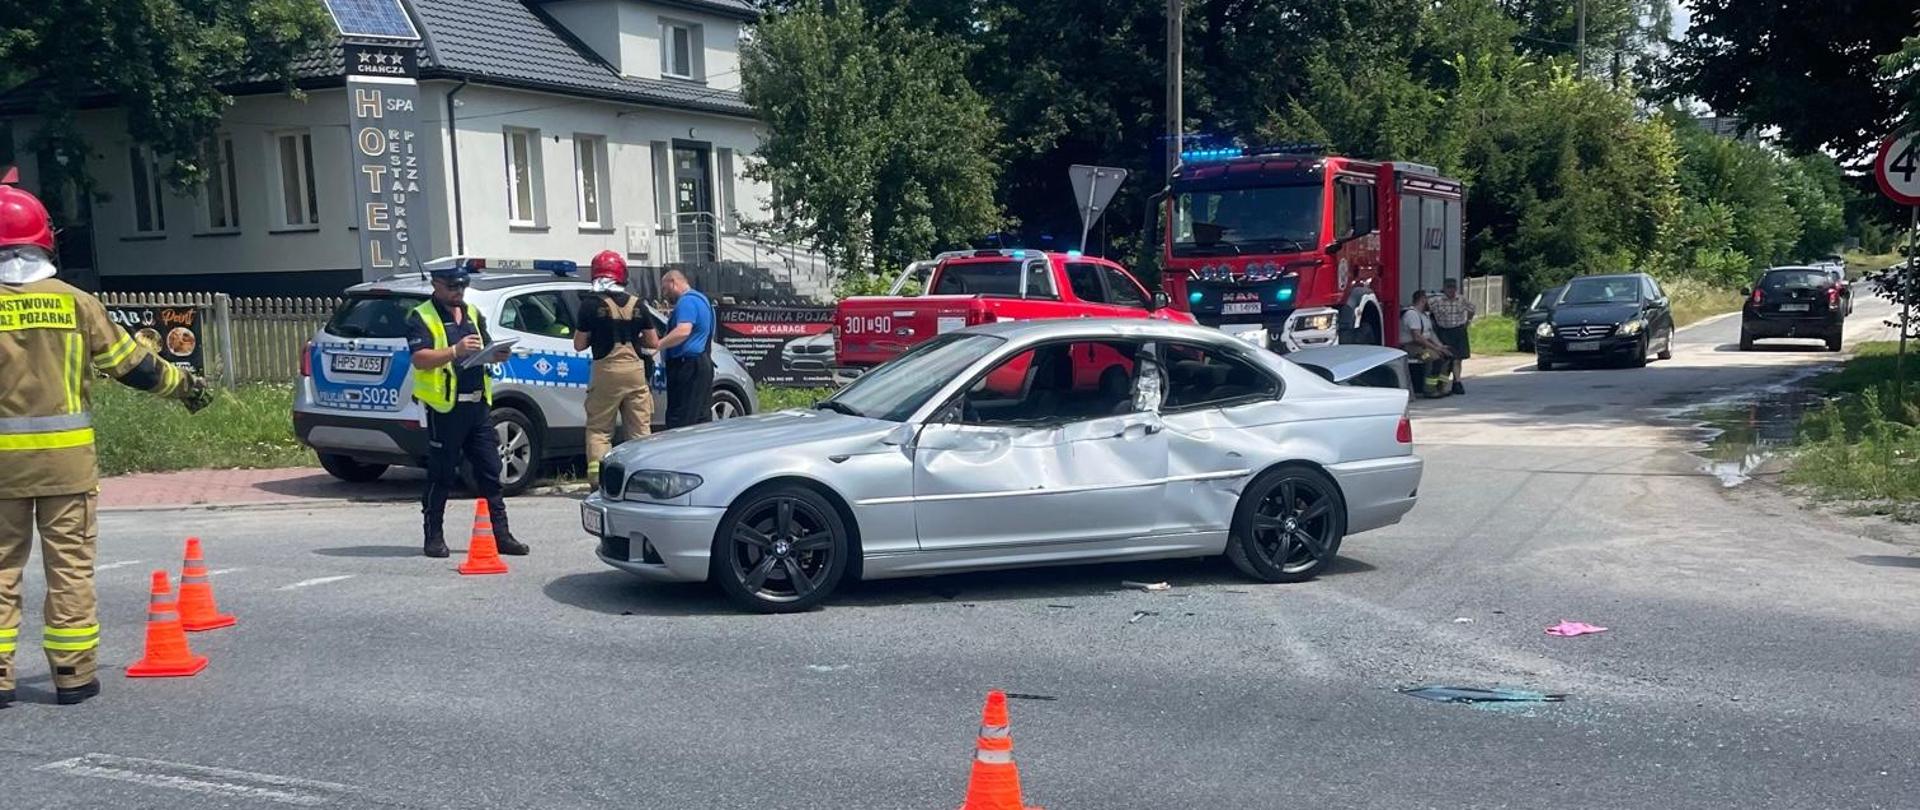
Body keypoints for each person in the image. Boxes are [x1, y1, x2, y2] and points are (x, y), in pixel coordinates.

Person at [0, 182, 212, 707]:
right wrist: (186, 386)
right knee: (68, 569)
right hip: (67, 468)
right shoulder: (77, 304)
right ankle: (72, 675)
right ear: (45, 241)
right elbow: (132, 366)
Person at [406, 265, 529, 559]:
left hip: (477, 406)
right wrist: (455, 351)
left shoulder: (472, 313)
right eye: (452, 286)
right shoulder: (421, 316)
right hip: (445, 408)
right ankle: (433, 536)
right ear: (436, 284)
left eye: (462, 286)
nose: (459, 292)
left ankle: (501, 534)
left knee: (491, 470)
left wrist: (496, 354)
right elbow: (420, 359)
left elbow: (484, 347)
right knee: (442, 473)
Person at [574, 251, 658, 480]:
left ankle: (597, 479)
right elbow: (653, 342)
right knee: (640, 430)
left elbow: (579, 344)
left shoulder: (590, 305)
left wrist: (596, 335)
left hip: (606, 372)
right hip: (635, 372)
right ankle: (644, 478)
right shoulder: (638, 304)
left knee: (600, 429)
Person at [657, 269, 715, 429]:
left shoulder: (686, 302)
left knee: (681, 421)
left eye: (665, 289)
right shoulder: (702, 300)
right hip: (702, 364)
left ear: (673, 282)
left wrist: (658, 345)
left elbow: (683, 331)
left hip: (687, 367)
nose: (664, 294)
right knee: (701, 419)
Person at [1400, 290, 1454, 398]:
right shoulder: (1412, 314)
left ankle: (1441, 386)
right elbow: (1417, 337)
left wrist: (1441, 347)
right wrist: (1435, 348)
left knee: (1448, 356)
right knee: (1433, 358)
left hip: (1424, 346)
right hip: (1412, 348)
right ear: (1423, 300)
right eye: (1430, 301)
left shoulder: (1424, 315)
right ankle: (1429, 389)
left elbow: (1431, 334)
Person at [1428, 277, 1476, 395]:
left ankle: (1457, 382)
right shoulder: (1436, 301)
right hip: (1443, 331)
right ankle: (1441, 384)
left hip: (1458, 330)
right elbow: (1426, 310)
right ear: (1444, 288)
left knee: (1457, 359)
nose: (1451, 290)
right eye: (1449, 287)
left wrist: (1468, 321)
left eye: (1453, 287)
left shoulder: (1461, 300)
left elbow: (1472, 309)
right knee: (1446, 359)